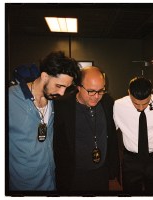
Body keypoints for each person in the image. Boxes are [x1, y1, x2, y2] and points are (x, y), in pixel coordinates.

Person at [8, 51, 80, 192]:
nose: (62, 93)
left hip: (50, 181)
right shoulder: (10, 99)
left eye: (66, 87)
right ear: (45, 76)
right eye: (59, 86)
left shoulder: (54, 102)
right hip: (21, 186)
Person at [53, 66, 120, 195]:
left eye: (101, 91)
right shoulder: (62, 106)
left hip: (101, 172)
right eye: (91, 91)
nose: (96, 96)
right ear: (78, 86)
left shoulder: (107, 102)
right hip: (74, 174)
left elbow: (111, 136)